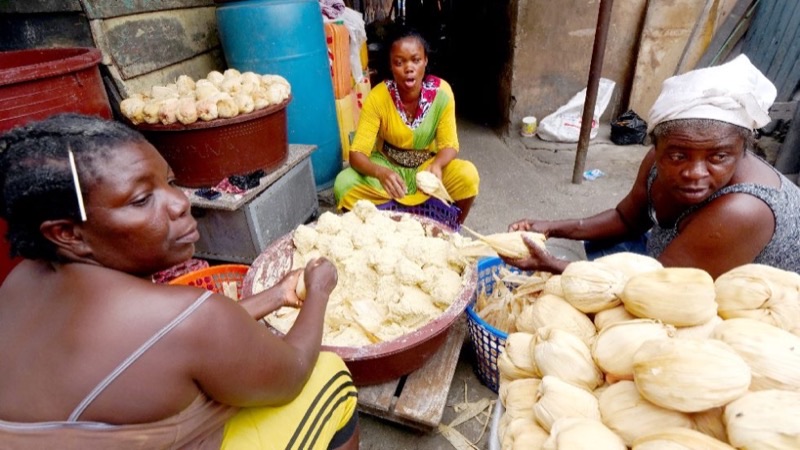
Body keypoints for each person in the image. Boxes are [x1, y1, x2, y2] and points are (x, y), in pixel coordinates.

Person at [0, 114, 359, 449]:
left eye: (170, 181)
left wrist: (278, 295)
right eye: (141, 199)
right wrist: (319, 290)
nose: (179, 202)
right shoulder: (189, 320)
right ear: (67, 234)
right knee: (330, 378)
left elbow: (178, 338)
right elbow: (293, 371)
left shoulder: (19, 281)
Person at [505, 55, 800, 279]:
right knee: (605, 249)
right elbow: (626, 219)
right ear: (656, 148)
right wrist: (551, 229)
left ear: (742, 151)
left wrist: (552, 265)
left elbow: (656, 286)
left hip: (745, 306)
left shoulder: (742, 210)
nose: (695, 172)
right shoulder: (656, 162)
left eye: (718, 157)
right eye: (678, 156)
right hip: (676, 262)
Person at [333, 26, 480, 224]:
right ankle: (380, 227)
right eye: (399, 62)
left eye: (416, 60)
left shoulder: (442, 93)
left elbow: (450, 145)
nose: (409, 68)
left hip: (426, 168)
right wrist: (380, 173)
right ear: (391, 66)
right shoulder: (378, 97)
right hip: (387, 168)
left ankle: (450, 230)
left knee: (467, 176)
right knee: (344, 184)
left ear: (425, 61)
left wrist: (437, 165)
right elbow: (357, 154)